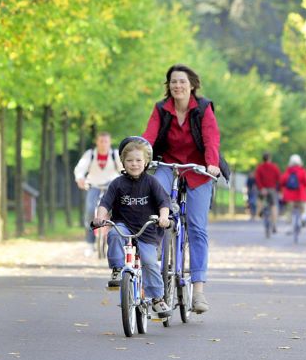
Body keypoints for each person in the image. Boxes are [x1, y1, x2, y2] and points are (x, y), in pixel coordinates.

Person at [142, 64, 221, 314]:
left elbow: (211, 138)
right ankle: (153, 257)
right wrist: (141, 157)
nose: (178, 86)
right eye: (173, 82)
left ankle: (198, 291)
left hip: (198, 167)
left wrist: (212, 164)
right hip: (168, 163)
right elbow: (149, 137)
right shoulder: (160, 109)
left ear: (192, 85)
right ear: (169, 85)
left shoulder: (203, 108)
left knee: (197, 227)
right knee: (155, 207)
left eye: (182, 82)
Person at [94, 136, 172, 317]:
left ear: (145, 163)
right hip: (124, 224)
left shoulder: (152, 182)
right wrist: (100, 217)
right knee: (113, 235)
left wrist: (163, 217)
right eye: (129, 160)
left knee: (150, 262)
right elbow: (105, 203)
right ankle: (116, 269)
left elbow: (163, 203)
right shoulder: (117, 184)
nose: (134, 164)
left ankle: (157, 299)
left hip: (147, 228)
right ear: (123, 162)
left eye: (138, 160)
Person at [74, 132, 123, 256]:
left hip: (111, 187)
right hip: (94, 185)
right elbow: (80, 168)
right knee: (90, 211)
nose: (103, 144)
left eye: (106, 141)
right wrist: (80, 178)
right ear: (97, 142)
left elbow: (123, 169)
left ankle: (113, 238)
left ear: (109, 142)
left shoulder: (114, 154)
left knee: (116, 212)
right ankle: (90, 244)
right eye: (101, 141)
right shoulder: (90, 155)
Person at [280, 154, 306, 231]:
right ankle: (303, 217)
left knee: (289, 210)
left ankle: (289, 226)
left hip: (289, 196)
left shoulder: (288, 171)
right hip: (301, 195)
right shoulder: (302, 171)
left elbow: (282, 181)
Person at [254, 152, 281, 232]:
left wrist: (261, 188)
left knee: (259, 200)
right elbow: (279, 179)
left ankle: (259, 211)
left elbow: (257, 179)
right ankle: (274, 224)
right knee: (274, 206)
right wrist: (279, 189)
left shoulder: (259, 168)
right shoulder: (274, 167)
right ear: (270, 158)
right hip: (272, 189)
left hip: (263, 190)